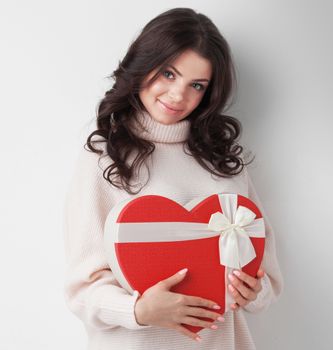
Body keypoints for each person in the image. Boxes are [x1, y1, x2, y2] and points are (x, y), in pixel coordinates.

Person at [62, 7, 284, 350]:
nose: (179, 95)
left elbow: (265, 277)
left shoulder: (226, 164)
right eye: (168, 74)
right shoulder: (106, 158)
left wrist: (254, 292)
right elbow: (81, 289)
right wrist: (138, 310)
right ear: (143, 64)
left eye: (196, 85)